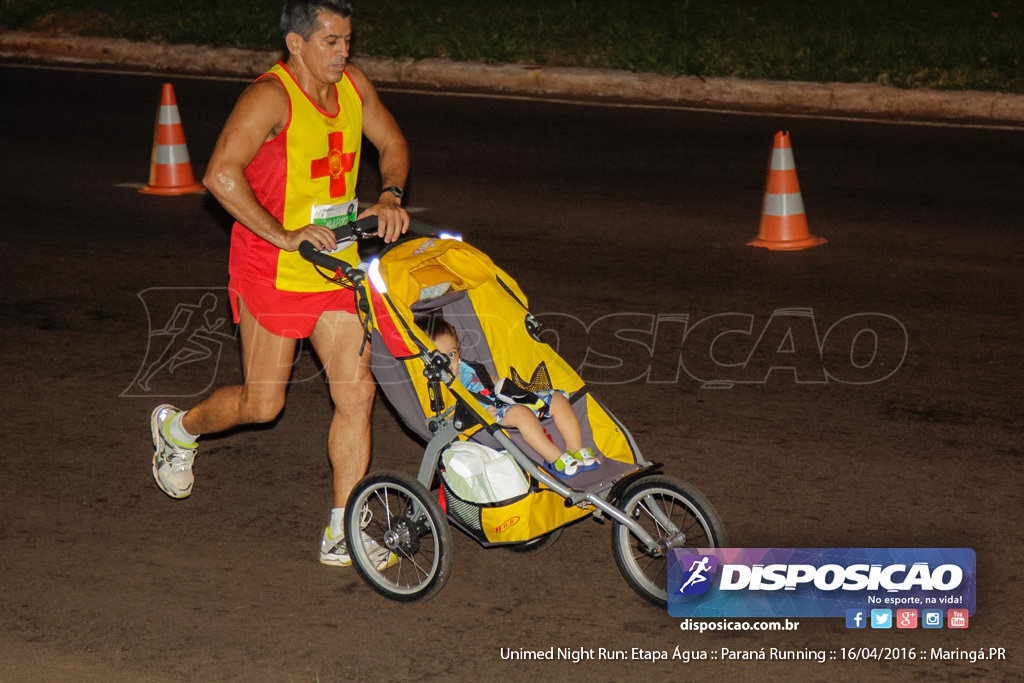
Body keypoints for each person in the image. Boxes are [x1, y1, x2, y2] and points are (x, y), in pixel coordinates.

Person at [149, 0, 409, 569]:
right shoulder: (269, 97)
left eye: (347, 41)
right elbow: (219, 173)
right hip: (271, 268)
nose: (345, 52)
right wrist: (284, 234)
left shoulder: (352, 86)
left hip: (335, 264)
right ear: (297, 44)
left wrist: (388, 194)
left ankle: (344, 525)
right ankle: (178, 428)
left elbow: (391, 143)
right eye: (332, 41)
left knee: (357, 392)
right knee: (263, 404)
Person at [423, 319, 600, 479]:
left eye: (452, 354)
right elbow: (450, 410)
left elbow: (489, 381)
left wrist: (504, 386)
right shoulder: (437, 386)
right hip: (485, 418)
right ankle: (556, 460)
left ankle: (576, 449)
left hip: (502, 401)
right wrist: (479, 413)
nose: (449, 363)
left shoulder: (468, 368)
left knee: (557, 398)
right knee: (521, 413)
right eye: (440, 358)